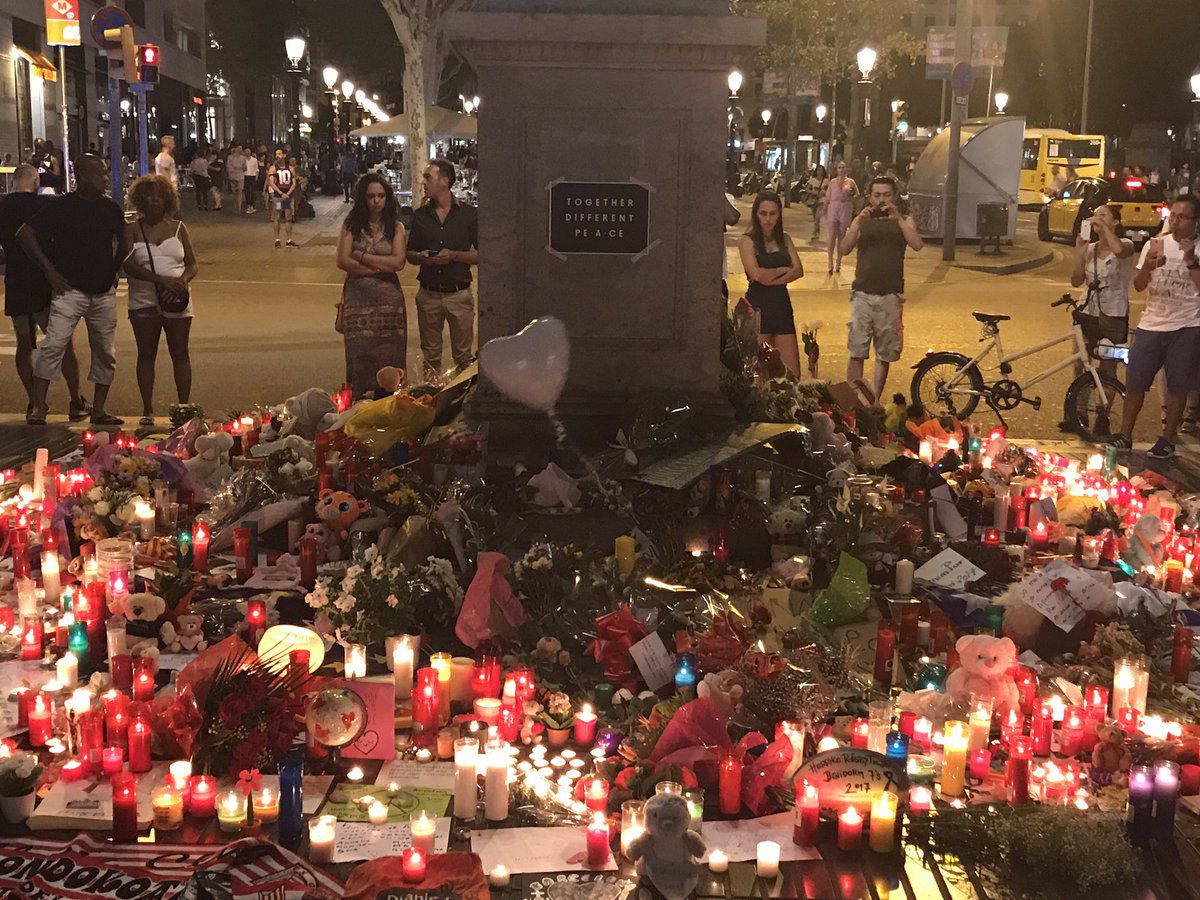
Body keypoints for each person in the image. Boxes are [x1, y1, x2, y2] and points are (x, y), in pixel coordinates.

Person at [18, 154, 127, 426]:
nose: (105, 178)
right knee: (53, 345)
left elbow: (125, 239)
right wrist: (49, 269)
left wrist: (115, 268)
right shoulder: (62, 206)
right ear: (84, 175)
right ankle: (39, 407)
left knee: (105, 351)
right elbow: (25, 234)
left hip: (102, 291)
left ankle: (98, 409)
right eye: (100, 173)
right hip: (70, 290)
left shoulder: (110, 208)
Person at [1104, 194, 1200, 459]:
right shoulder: (1155, 244)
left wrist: (1191, 260)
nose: (1176, 221)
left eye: (1183, 217)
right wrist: (1147, 266)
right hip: (1151, 324)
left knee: (1177, 386)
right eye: (1173, 215)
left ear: (1195, 221)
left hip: (1187, 325)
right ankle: (1125, 435)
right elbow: (1139, 285)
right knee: (1135, 382)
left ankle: (1167, 439)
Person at [0, 164, 86, 420]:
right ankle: (75, 400)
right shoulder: (45, 205)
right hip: (44, 281)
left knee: (23, 344)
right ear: (36, 181)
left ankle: (34, 402)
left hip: (16, 281)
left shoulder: (2, 207)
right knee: (62, 342)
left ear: (13, 181)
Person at [120, 175, 198, 425]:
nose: (154, 201)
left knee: (180, 353)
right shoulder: (132, 229)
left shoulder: (178, 228)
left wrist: (181, 282)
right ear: (140, 200)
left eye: (159, 197)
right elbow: (128, 265)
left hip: (176, 298)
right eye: (149, 196)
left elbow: (192, 264)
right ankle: (147, 410)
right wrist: (161, 280)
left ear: (168, 200)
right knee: (146, 354)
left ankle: (184, 408)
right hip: (143, 299)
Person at [839, 175, 924, 402]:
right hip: (862, 293)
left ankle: (875, 400)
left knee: (884, 353)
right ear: (870, 196)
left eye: (886, 195)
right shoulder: (862, 220)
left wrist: (898, 220)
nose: (881, 200)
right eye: (877, 195)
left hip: (890, 294)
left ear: (894, 196)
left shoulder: (904, 220)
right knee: (857, 350)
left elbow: (917, 244)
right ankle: (854, 402)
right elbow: (844, 248)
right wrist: (858, 222)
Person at [336, 173, 408, 397]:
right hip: (358, 300)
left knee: (390, 357)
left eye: (381, 196)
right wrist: (380, 268)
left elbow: (398, 262)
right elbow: (343, 260)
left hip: (389, 304)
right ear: (363, 199)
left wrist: (362, 257)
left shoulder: (395, 227)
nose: (376, 201)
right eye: (371, 196)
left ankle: (390, 403)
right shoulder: (351, 226)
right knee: (360, 357)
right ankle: (360, 403)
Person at [406, 159, 479, 379]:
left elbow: (483, 255)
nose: (423, 182)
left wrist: (455, 256)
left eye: (428, 177)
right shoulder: (420, 216)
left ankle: (462, 396)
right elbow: (410, 253)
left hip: (459, 294)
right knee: (431, 357)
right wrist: (422, 257)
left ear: (445, 181)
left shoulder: (469, 215)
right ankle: (431, 397)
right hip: (429, 294)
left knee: (463, 357)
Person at [738, 191, 805, 376]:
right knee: (758, 372)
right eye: (763, 213)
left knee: (792, 373)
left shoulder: (785, 238)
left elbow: (799, 270)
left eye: (773, 214)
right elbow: (757, 274)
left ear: (779, 214)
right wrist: (784, 269)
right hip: (758, 308)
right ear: (756, 214)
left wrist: (771, 278)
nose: (768, 219)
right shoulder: (746, 241)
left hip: (781, 306)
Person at [1069, 204, 1134, 385]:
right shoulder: (1090, 248)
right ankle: (1078, 402)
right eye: (1095, 215)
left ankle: (1104, 403)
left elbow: (1119, 251)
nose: (1096, 218)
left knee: (1108, 368)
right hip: (1087, 311)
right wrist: (1080, 254)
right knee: (1079, 362)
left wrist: (1105, 229)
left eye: (1103, 215)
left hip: (1113, 314)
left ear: (1115, 222)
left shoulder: (1126, 244)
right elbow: (1076, 280)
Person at [823, 160, 858, 274]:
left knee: (841, 237)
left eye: (843, 167)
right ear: (836, 169)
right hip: (833, 208)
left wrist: (851, 194)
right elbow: (828, 198)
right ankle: (830, 262)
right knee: (832, 236)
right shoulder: (832, 182)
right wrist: (824, 210)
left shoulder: (850, 182)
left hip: (845, 208)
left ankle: (838, 262)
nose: (842, 169)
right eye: (839, 167)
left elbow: (857, 195)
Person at [266, 148, 298, 248]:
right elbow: (271, 182)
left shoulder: (290, 168)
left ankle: (289, 239)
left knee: (288, 217)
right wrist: (281, 193)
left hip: (287, 196)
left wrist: (288, 193)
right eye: (276, 154)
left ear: (284, 155)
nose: (277, 156)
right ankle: (277, 239)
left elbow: (294, 183)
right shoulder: (273, 168)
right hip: (279, 197)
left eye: (279, 154)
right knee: (277, 216)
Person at [804, 164, 827, 241]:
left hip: (822, 201)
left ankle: (814, 233)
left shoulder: (826, 181)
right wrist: (813, 192)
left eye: (821, 170)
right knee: (815, 218)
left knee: (817, 217)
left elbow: (829, 191)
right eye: (818, 170)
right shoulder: (812, 180)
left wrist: (824, 193)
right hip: (814, 201)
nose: (820, 172)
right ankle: (817, 232)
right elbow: (807, 189)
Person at [226, 142, 245, 213]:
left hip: (240, 176)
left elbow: (244, 167)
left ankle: (239, 207)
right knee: (234, 192)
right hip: (233, 176)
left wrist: (240, 168)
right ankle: (235, 205)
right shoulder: (230, 157)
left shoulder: (243, 158)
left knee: (240, 191)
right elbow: (229, 167)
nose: (241, 150)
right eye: (239, 148)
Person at [243, 147, 260, 213]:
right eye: (246, 152)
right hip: (245, 176)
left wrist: (256, 177)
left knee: (253, 191)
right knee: (247, 191)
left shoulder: (254, 160)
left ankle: (252, 205)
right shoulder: (243, 159)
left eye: (248, 151)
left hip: (253, 176)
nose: (247, 153)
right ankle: (248, 205)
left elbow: (256, 169)